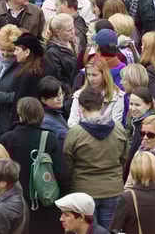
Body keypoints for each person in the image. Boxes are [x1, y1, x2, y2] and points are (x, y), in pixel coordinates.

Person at [0, 98, 70, 232]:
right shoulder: (50, 138)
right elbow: (63, 175)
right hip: (46, 204)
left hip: (15, 204)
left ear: (20, 114)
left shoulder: (6, 139)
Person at [64, 87, 128, 229]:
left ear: (80, 107)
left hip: (83, 190)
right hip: (113, 188)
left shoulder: (75, 133)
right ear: (102, 105)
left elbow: (68, 163)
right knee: (110, 230)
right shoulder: (119, 129)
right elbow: (124, 158)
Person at [68, 58, 125, 127]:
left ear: (104, 75)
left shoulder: (117, 95)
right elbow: (72, 122)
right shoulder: (79, 94)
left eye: (94, 75)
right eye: (88, 75)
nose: (90, 78)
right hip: (83, 135)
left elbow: (116, 123)